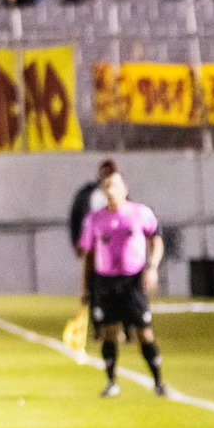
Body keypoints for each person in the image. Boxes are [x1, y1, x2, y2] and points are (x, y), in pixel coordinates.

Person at [78, 172, 167, 398]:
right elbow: (89, 254)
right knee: (109, 332)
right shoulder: (95, 219)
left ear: (125, 189)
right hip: (106, 281)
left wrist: (153, 266)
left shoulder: (140, 213)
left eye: (115, 185)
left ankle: (158, 381)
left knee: (144, 332)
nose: (111, 189)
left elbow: (156, 239)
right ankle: (112, 383)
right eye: (107, 185)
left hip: (133, 281)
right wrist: (86, 287)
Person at [69, 159, 115, 254]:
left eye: (109, 172)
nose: (106, 175)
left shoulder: (120, 194)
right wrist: (76, 242)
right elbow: (75, 217)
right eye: (104, 171)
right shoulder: (87, 193)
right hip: (91, 242)